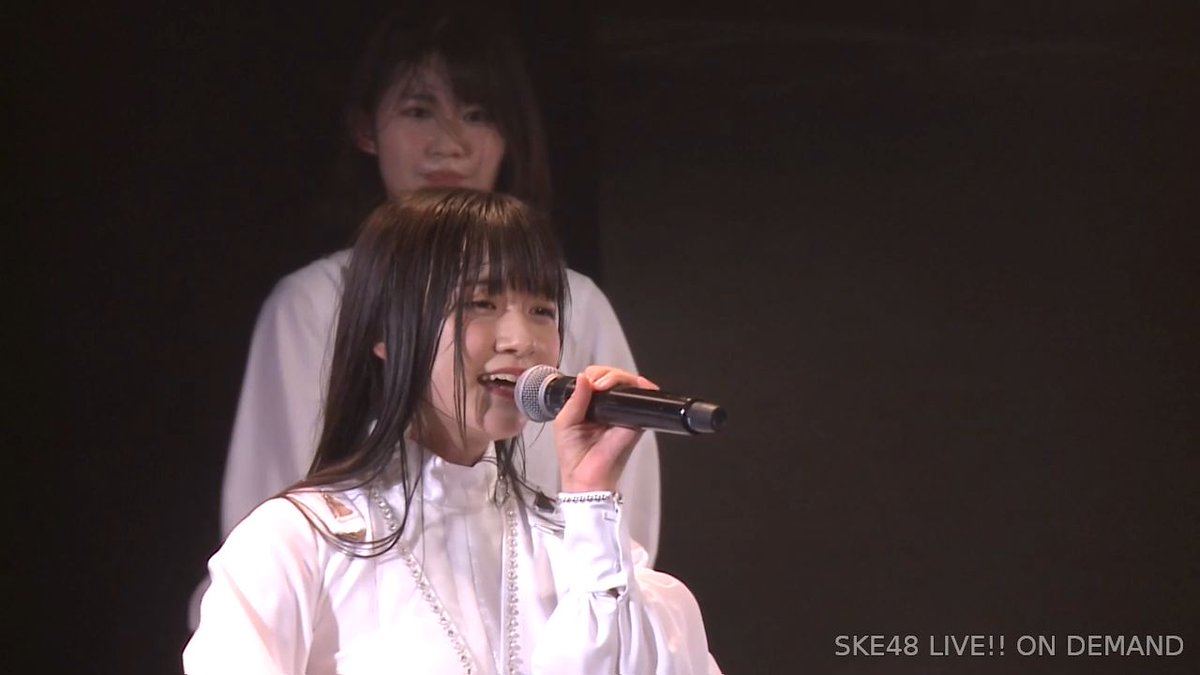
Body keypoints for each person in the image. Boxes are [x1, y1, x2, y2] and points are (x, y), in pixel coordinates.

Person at [213, 4, 660, 615]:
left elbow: (624, 525)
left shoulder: (576, 301)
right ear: (365, 129)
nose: (449, 145)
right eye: (419, 112)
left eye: (478, 115)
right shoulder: (316, 302)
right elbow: (267, 517)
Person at [184, 188, 720, 674]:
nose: (522, 339)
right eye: (480, 304)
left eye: (542, 309)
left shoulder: (582, 547)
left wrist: (590, 497)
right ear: (387, 333)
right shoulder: (296, 543)